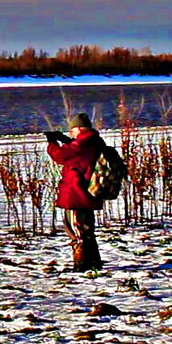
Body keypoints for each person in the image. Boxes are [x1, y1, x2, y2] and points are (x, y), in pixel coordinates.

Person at [45, 112, 106, 272]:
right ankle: (94, 263)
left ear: (78, 129)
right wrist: (65, 140)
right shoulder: (95, 141)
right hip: (90, 193)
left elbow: (60, 155)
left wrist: (52, 142)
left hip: (76, 194)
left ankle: (81, 265)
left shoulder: (81, 144)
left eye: (72, 130)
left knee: (76, 230)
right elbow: (77, 151)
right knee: (87, 230)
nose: (70, 132)